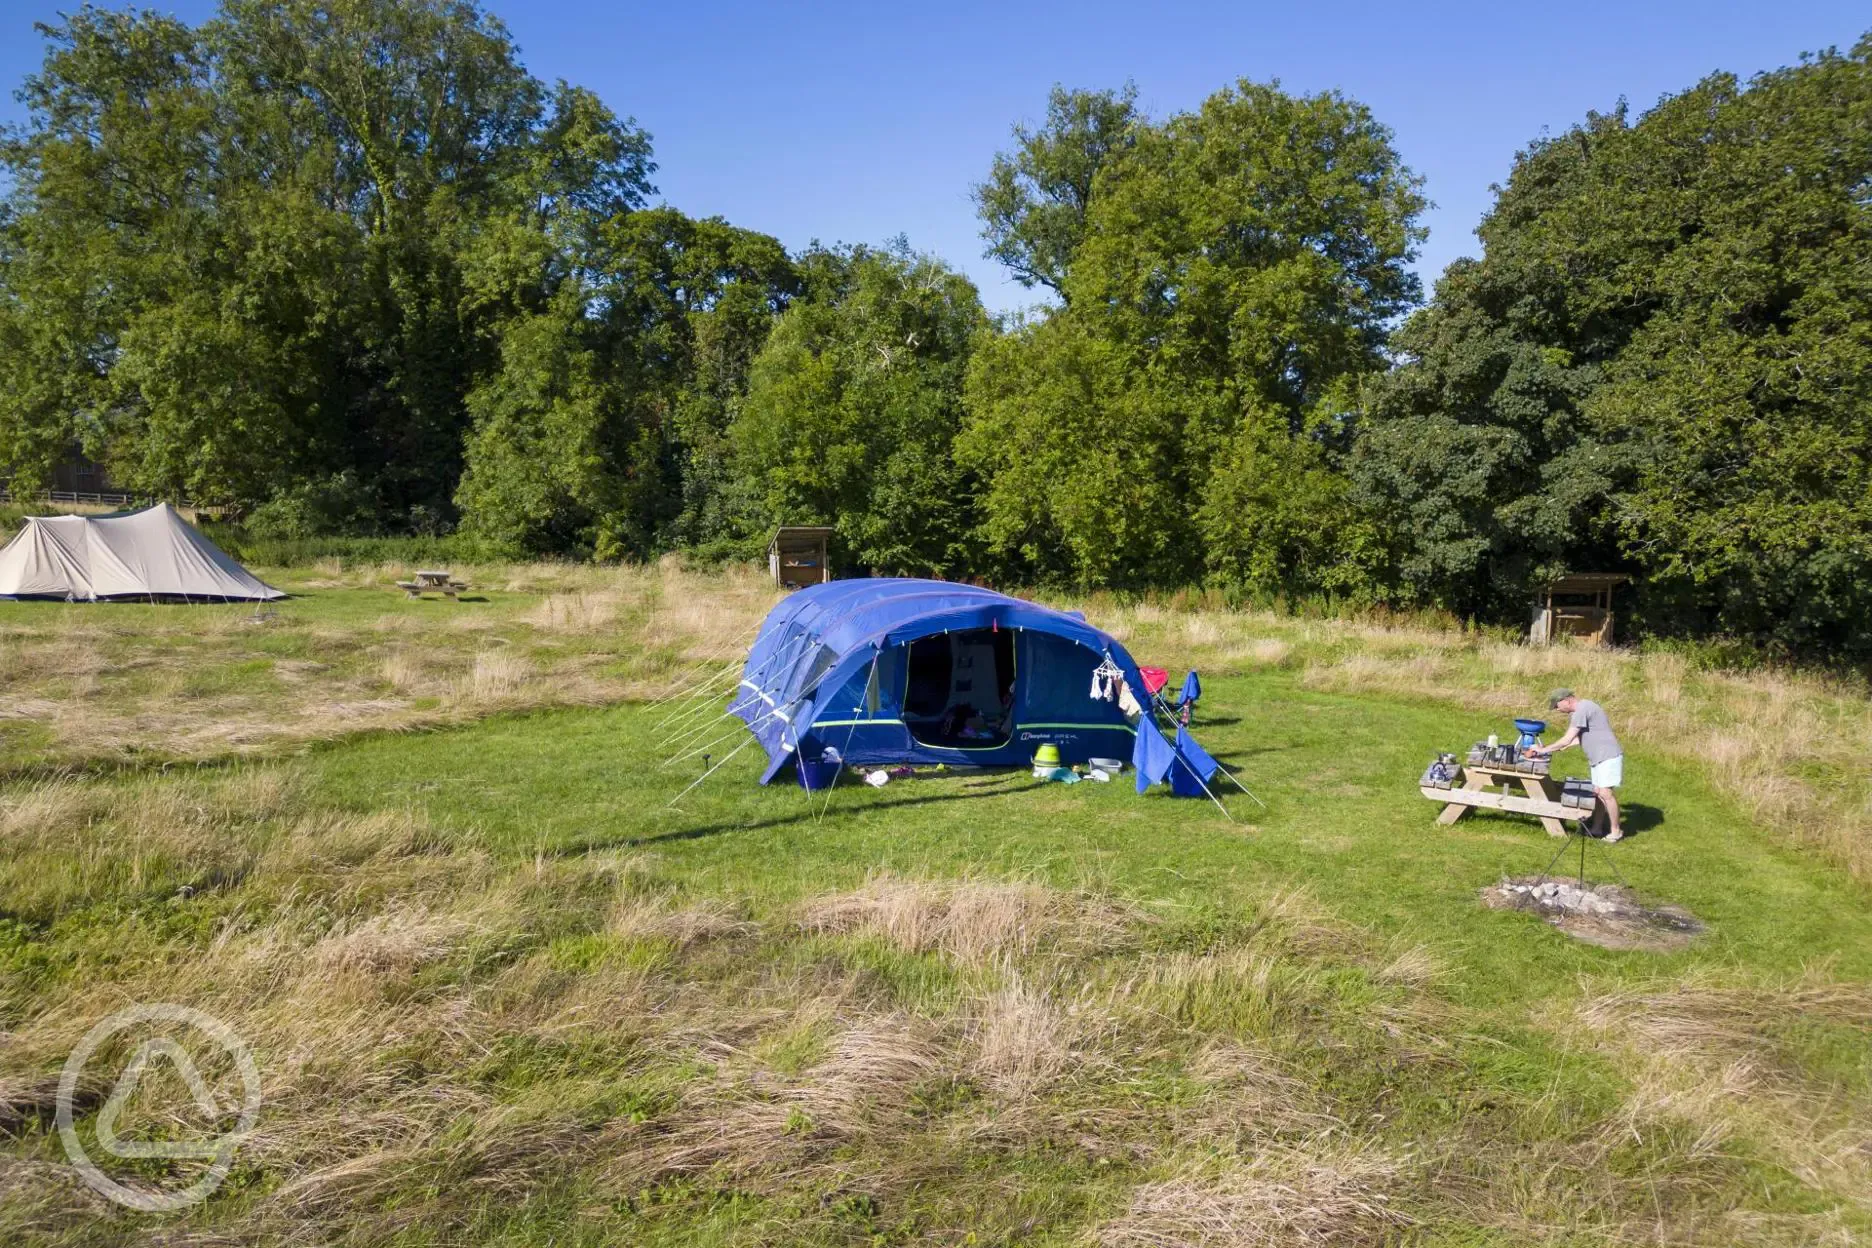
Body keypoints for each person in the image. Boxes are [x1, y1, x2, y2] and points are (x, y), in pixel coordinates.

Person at [1527, 688, 1625, 841]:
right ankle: (1597, 828)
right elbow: (1578, 738)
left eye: (1557, 706)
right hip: (1598, 757)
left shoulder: (1582, 709)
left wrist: (1543, 750)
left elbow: (1567, 738)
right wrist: (1558, 747)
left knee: (1606, 794)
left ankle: (1616, 831)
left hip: (1607, 755)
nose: (1557, 710)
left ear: (1567, 700)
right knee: (1599, 793)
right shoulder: (1583, 709)